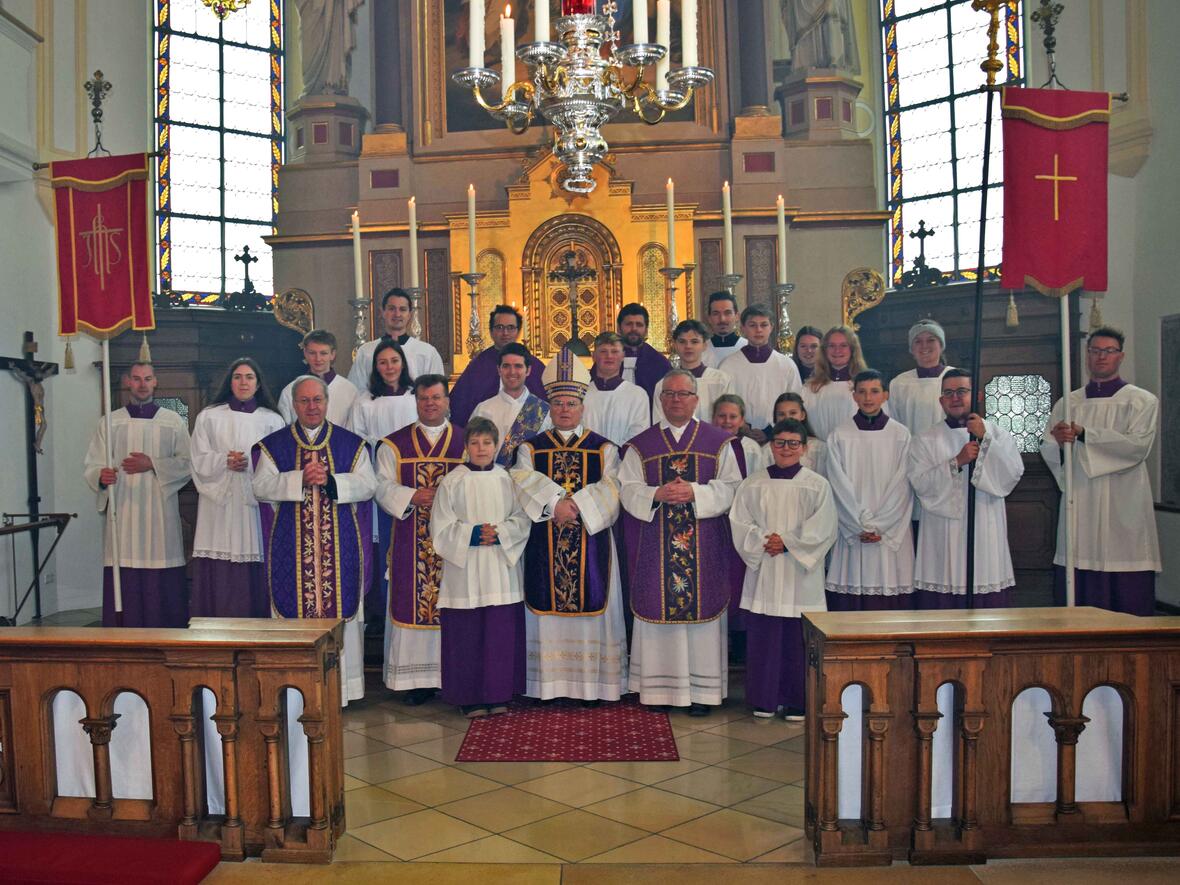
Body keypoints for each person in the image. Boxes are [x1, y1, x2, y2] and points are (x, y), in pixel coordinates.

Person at [618, 369, 744, 715]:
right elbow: (626, 489)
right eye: (669, 394)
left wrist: (696, 492)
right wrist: (656, 493)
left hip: (704, 544)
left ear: (696, 399)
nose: (676, 400)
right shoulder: (640, 446)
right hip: (656, 546)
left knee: (702, 611)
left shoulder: (719, 442)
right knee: (657, 604)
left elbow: (734, 487)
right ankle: (658, 693)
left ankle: (702, 694)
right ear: (660, 400)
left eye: (683, 394)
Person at [252, 375, 376, 704]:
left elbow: (369, 484)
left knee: (341, 609)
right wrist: (298, 480)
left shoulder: (351, 444)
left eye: (317, 400)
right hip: (290, 547)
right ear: (294, 405)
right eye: (304, 401)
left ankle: (342, 692)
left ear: (326, 402)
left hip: (341, 544)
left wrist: (333, 481)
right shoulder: (275, 445)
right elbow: (260, 486)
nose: (311, 407)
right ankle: (294, 690)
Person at [512, 349, 627, 702]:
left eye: (571, 403)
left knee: (594, 599)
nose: (565, 409)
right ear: (550, 405)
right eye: (559, 403)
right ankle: (550, 686)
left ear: (582, 406)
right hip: (543, 539)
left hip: (591, 542)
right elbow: (519, 480)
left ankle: (593, 687)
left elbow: (613, 486)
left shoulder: (603, 448)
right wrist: (554, 503)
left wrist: (576, 505)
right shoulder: (531, 448)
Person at [1040, 327, 1161, 615]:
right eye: (1095, 351)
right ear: (1087, 355)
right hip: (1081, 497)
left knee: (1124, 563)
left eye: (1108, 351)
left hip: (1124, 499)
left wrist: (1085, 435)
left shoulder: (1141, 401)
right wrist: (1058, 443)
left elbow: (1137, 447)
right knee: (1078, 563)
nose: (1101, 357)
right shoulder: (1068, 404)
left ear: (1121, 356)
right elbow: (1048, 447)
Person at [730, 418, 837, 719]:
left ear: (803, 448)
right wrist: (766, 540)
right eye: (780, 443)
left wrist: (788, 542)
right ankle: (764, 698)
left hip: (799, 573)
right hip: (765, 566)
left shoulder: (817, 485)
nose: (786, 449)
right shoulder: (753, 483)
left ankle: (796, 700)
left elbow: (825, 527)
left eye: (793, 443)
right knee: (764, 636)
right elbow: (739, 521)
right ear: (771, 446)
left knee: (795, 639)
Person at [374, 374, 466, 705]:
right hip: (410, 539)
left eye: (437, 397)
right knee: (411, 600)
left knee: (453, 605)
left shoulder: (467, 442)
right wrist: (413, 496)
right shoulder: (393, 445)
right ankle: (416, 681)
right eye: (424, 398)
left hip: (452, 542)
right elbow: (381, 487)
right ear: (416, 402)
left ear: (447, 401)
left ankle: (451, 677)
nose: (430, 403)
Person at [431, 417, 532, 717]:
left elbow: (522, 519)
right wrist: (471, 534)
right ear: (466, 447)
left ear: (496, 445)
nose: (481, 448)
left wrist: (501, 532)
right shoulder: (452, 481)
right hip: (464, 570)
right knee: (467, 634)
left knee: (498, 634)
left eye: (487, 442)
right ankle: (469, 696)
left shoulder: (509, 479)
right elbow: (440, 526)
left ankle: (498, 693)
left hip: (500, 568)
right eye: (474, 442)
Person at [84, 362, 192, 627]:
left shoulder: (173, 421)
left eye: (147, 378)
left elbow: (189, 463)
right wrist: (101, 476)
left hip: (160, 512)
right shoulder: (110, 422)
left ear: (156, 382)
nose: (142, 384)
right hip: (124, 509)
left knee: (162, 569)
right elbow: (94, 462)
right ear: (127, 382)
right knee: (125, 565)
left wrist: (153, 464)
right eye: (136, 379)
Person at [908, 369, 1024, 608]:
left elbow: (1011, 475)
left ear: (977, 395)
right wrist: (956, 462)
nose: (955, 398)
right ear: (941, 401)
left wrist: (986, 440)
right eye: (948, 393)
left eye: (962, 391)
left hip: (984, 524)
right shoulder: (925, 439)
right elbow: (920, 484)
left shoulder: (997, 434)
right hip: (943, 531)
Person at [189, 358, 285, 618]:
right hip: (218, 503)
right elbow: (197, 458)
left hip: (255, 504)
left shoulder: (272, 420)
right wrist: (224, 461)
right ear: (229, 382)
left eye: (249, 377)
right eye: (238, 377)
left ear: (258, 383)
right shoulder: (209, 416)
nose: (244, 382)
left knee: (256, 555)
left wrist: (251, 464)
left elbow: (280, 462)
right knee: (219, 556)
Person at [824, 370, 915, 610]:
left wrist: (879, 525)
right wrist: (858, 525)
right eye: (862, 392)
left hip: (890, 529)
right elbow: (837, 485)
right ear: (854, 396)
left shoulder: (901, 435)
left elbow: (903, 485)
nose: (868, 398)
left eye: (875, 391)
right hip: (852, 530)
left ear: (885, 395)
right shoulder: (840, 435)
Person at [347, 338, 418, 627]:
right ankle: (379, 612)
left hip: (413, 481)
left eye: (394, 361)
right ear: (375, 367)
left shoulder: (416, 397)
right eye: (383, 362)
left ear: (403, 363)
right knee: (379, 544)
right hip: (378, 479)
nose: (389, 367)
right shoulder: (365, 401)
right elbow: (356, 442)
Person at [447, 304, 547, 427]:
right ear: (491, 331)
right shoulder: (478, 366)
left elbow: (548, 406)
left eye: (510, 327)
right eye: (499, 327)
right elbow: (459, 406)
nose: (505, 333)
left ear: (518, 331)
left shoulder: (534, 365)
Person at [718, 305, 802, 437]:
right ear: (743, 328)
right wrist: (744, 427)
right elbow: (723, 405)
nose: (758, 330)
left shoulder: (786, 365)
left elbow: (794, 405)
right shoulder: (728, 365)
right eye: (752, 325)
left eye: (764, 325)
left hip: (779, 436)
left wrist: (770, 431)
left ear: (771, 328)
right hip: (739, 436)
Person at [471, 342, 551, 467]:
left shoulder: (545, 411)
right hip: (494, 482)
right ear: (499, 370)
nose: (512, 372)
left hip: (532, 483)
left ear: (528, 370)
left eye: (518, 366)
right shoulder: (483, 410)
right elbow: (472, 453)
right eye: (506, 366)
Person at [349, 288, 445, 387]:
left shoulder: (427, 352)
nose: (397, 314)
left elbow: (436, 392)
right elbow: (356, 391)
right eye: (391, 309)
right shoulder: (366, 351)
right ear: (383, 312)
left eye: (402, 309)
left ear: (410, 314)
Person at [653, 319, 735, 424]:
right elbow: (660, 424)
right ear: (675, 345)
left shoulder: (721, 380)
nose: (688, 346)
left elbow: (728, 421)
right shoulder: (663, 385)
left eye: (694, 342)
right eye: (682, 341)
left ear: (704, 345)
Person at [582, 331, 651, 447]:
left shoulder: (638, 395)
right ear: (593, 356)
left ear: (623, 356)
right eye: (603, 351)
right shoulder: (581, 395)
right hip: (587, 460)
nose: (609, 356)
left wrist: (612, 456)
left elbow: (639, 435)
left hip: (624, 461)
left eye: (614, 351)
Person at [278, 329, 359, 426]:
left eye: (323, 353)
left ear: (332, 354)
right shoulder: (289, 391)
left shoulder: (349, 390)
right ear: (305, 353)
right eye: (312, 353)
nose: (318, 359)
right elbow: (284, 430)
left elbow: (354, 429)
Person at [802, 325, 866, 440]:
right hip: (819, 452)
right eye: (831, 346)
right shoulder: (809, 389)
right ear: (824, 350)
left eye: (843, 345)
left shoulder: (865, 387)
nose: (837, 350)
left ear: (853, 349)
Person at [606, 303, 672, 401]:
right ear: (619, 328)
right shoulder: (607, 360)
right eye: (629, 324)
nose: (634, 329)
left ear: (646, 330)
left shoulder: (659, 363)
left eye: (639, 325)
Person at [770, 392, 827, 476]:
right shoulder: (768, 450)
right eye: (781, 414)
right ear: (775, 418)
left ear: (802, 415)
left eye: (793, 413)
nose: (787, 418)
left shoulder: (819, 448)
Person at [712, 394, 765, 476]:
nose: (727, 421)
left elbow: (757, 480)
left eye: (733, 417)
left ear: (742, 421)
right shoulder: (704, 445)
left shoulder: (751, 448)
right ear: (713, 418)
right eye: (722, 416)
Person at [702, 291, 747, 368]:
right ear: (709, 318)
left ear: (737, 316)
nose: (722, 319)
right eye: (716, 313)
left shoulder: (747, 348)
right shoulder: (701, 351)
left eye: (727, 313)